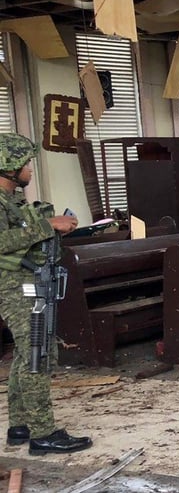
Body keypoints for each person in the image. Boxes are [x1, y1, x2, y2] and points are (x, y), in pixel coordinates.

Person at [0, 133, 91, 455]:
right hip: (12, 286)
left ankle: (20, 425)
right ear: (10, 166)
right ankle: (43, 434)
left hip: (27, 281)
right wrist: (48, 225)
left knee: (28, 354)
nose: (30, 169)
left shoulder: (11, 200)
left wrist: (54, 223)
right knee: (37, 353)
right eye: (25, 163)